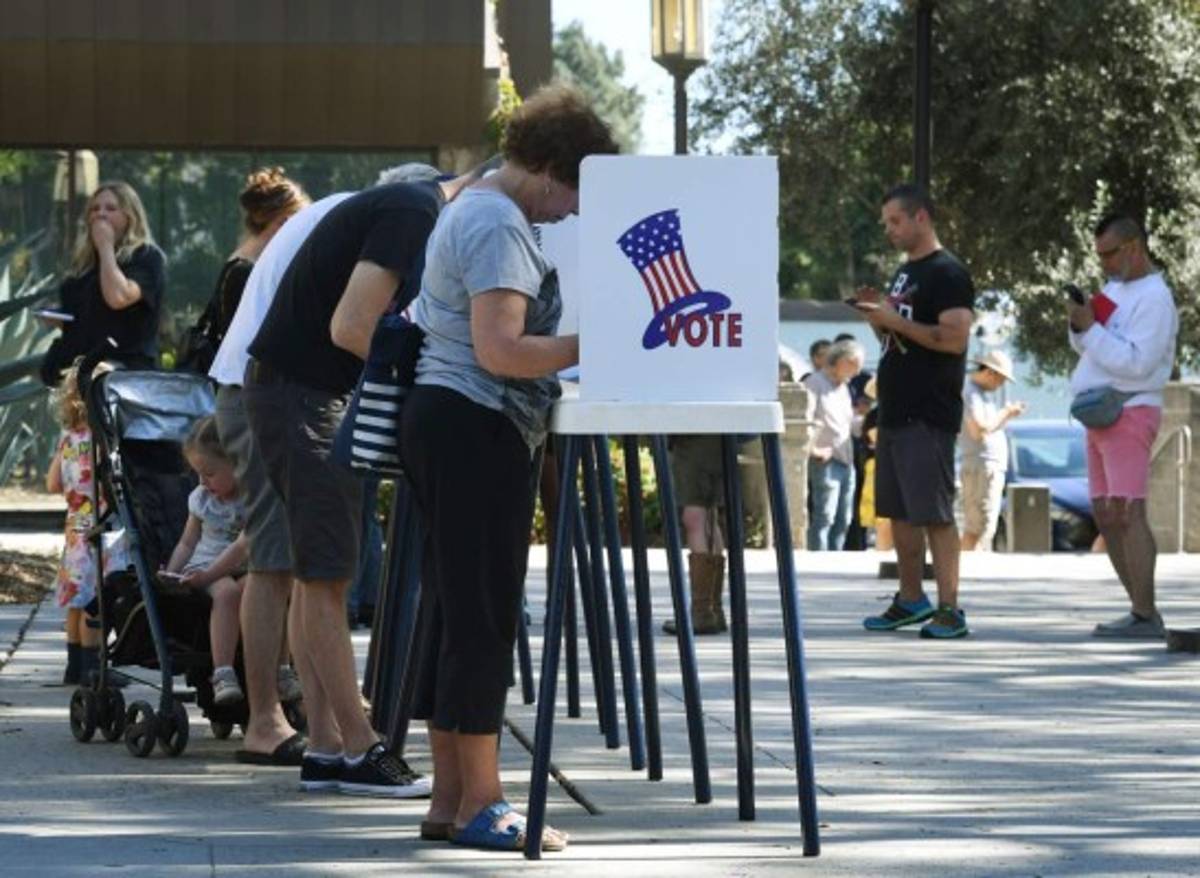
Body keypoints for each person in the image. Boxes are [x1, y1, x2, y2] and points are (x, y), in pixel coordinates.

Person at [400, 84, 617, 852]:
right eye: (577, 193)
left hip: (449, 419)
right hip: (477, 421)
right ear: (554, 169)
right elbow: (502, 350)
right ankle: (483, 804)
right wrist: (600, 342)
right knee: (485, 616)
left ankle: (451, 797)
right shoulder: (498, 221)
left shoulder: (474, 207)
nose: (572, 212)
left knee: (455, 611)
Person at [242, 160, 487, 797]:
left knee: (313, 575)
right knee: (325, 579)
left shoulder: (407, 208)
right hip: (304, 397)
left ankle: (325, 747)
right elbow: (352, 328)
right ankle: (362, 747)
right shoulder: (415, 212)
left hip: (292, 393)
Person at [208, 169, 313, 764]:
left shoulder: (245, 261)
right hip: (256, 394)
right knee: (273, 557)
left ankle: (287, 702)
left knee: (289, 559)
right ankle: (264, 716)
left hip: (261, 394)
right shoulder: (252, 266)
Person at [855, 184, 975, 639]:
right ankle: (910, 598)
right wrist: (876, 316)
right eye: (886, 223)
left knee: (935, 513)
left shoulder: (947, 273)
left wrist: (895, 320)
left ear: (920, 217)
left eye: (895, 221)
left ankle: (950, 609)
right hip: (896, 409)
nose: (889, 230)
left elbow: (954, 338)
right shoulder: (906, 274)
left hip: (929, 411)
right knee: (899, 511)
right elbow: (898, 340)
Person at [1067, 213, 1178, 639]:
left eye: (1110, 254)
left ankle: (1145, 612)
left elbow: (1137, 362)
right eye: (1098, 255)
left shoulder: (1154, 297)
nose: (1104, 264)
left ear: (1134, 247)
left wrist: (1090, 330)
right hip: (1099, 412)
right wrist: (1080, 325)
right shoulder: (1114, 290)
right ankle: (1138, 609)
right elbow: (1092, 346)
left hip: (1129, 410)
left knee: (1129, 511)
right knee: (1107, 513)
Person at [39, 182, 166, 385]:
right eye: (95, 209)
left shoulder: (145, 256)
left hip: (119, 376)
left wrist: (106, 246)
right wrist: (62, 316)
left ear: (129, 216)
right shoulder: (85, 263)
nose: (101, 214)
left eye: (111, 208)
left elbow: (118, 298)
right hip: (74, 371)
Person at [163, 418, 248, 706]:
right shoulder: (201, 499)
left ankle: (274, 666)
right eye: (198, 473)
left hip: (244, 564)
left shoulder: (253, 499)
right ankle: (223, 672)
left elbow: (243, 549)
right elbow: (188, 541)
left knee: (261, 591)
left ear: (237, 463)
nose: (202, 481)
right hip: (206, 565)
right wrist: (172, 572)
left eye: (210, 473)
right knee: (227, 593)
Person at [46, 360, 101, 685]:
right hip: (98, 525)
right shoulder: (100, 439)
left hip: (73, 526)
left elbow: (52, 484)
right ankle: (93, 669)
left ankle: (73, 665)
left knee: (76, 600)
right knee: (96, 599)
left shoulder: (68, 437)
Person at [662, 435, 729, 635]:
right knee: (708, 513)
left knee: (696, 514)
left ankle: (702, 612)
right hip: (714, 430)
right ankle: (712, 609)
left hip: (694, 432)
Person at [960, 350, 1025, 551]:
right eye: (1002, 379)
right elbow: (978, 429)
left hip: (987, 466)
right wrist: (1006, 413)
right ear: (990, 372)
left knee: (984, 527)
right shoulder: (970, 392)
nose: (1001, 385)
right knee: (978, 528)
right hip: (981, 466)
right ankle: (964, 572)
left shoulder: (980, 394)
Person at [804, 338, 865, 550]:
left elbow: (849, 423)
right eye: (854, 365)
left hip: (846, 458)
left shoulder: (843, 387)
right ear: (841, 361)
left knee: (844, 519)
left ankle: (834, 559)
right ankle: (817, 561)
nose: (857, 372)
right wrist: (813, 449)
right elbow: (805, 419)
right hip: (826, 458)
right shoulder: (814, 382)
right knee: (825, 517)